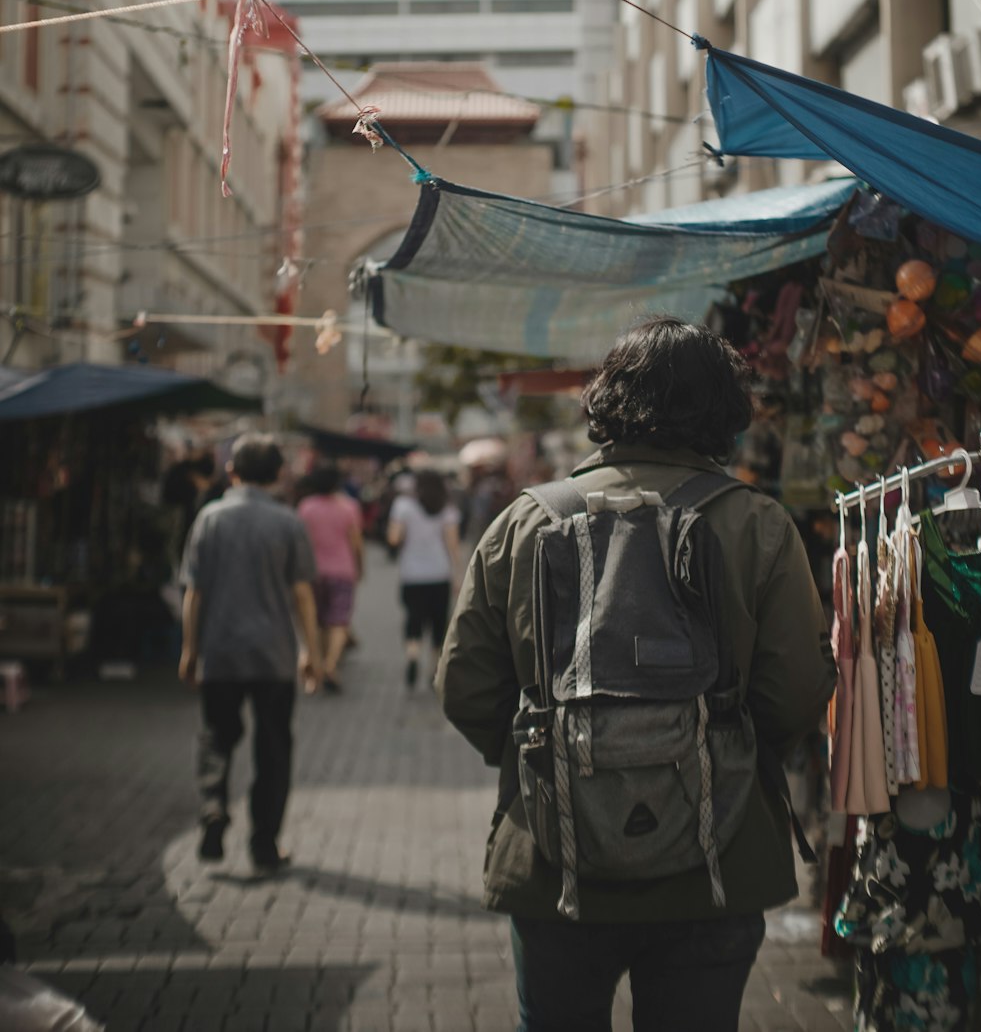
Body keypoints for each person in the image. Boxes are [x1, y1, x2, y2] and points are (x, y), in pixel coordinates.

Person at [436, 317, 836, 1032]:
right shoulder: (759, 524)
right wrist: (721, 754)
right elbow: (798, 690)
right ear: (725, 410)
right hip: (721, 856)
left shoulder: (523, 522)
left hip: (555, 861)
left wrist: (552, 758)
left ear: (604, 400)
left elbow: (465, 685)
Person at [179, 433, 323, 871]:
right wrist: (312, 653)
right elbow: (302, 594)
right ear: (279, 474)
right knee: (274, 749)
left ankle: (213, 807)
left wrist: (190, 649)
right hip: (273, 655)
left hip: (220, 651)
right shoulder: (287, 522)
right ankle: (264, 845)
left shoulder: (210, 518)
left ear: (231, 471)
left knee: (215, 736)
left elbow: (194, 593)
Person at [386, 468, 462, 690]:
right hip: (439, 573)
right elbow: (453, 545)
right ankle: (434, 669)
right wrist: (458, 573)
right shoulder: (447, 508)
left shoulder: (403, 506)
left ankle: (412, 656)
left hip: (412, 574)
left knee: (413, 617)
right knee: (439, 622)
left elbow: (393, 538)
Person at [296, 462, 364, 694]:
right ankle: (330, 664)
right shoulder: (348, 507)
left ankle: (313, 662)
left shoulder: (305, 508)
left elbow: (300, 542)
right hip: (342, 571)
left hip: (311, 571)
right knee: (338, 620)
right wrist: (360, 567)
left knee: (315, 620)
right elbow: (356, 542)